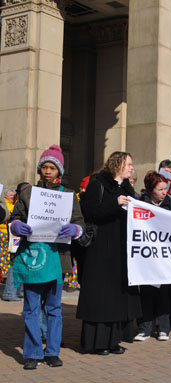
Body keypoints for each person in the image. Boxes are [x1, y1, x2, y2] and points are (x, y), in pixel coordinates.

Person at [11, 144, 85, 369]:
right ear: (40, 170)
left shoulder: (69, 195)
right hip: (32, 258)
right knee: (31, 308)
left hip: (58, 257)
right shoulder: (28, 192)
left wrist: (75, 230)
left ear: (60, 172)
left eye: (53, 167)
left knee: (54, 309)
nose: (48, 171)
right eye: (45, 167)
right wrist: (17, 226)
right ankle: (32, 353)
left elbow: (79, 222)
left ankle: (52, 351)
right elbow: (16, 217)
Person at [76, 151, 142, 355]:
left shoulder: (127, 187)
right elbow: (90, 211)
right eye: (128, 164)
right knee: (101, 296)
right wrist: (115, 203)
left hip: (121, 249)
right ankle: (98, 342)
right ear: (117, 164)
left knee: (117, 298)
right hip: (101, 249)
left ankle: (114, 341)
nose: (132, 168)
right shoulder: (98, 183)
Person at [134, 171, 171, 342]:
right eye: (160, 189)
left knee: (164, 293)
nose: (164, 192)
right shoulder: (140, 204)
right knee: (146, 293)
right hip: (146, 257)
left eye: (165, 189)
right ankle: (144, 328)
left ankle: (164, 328)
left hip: (165, 257)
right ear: (150, 190)